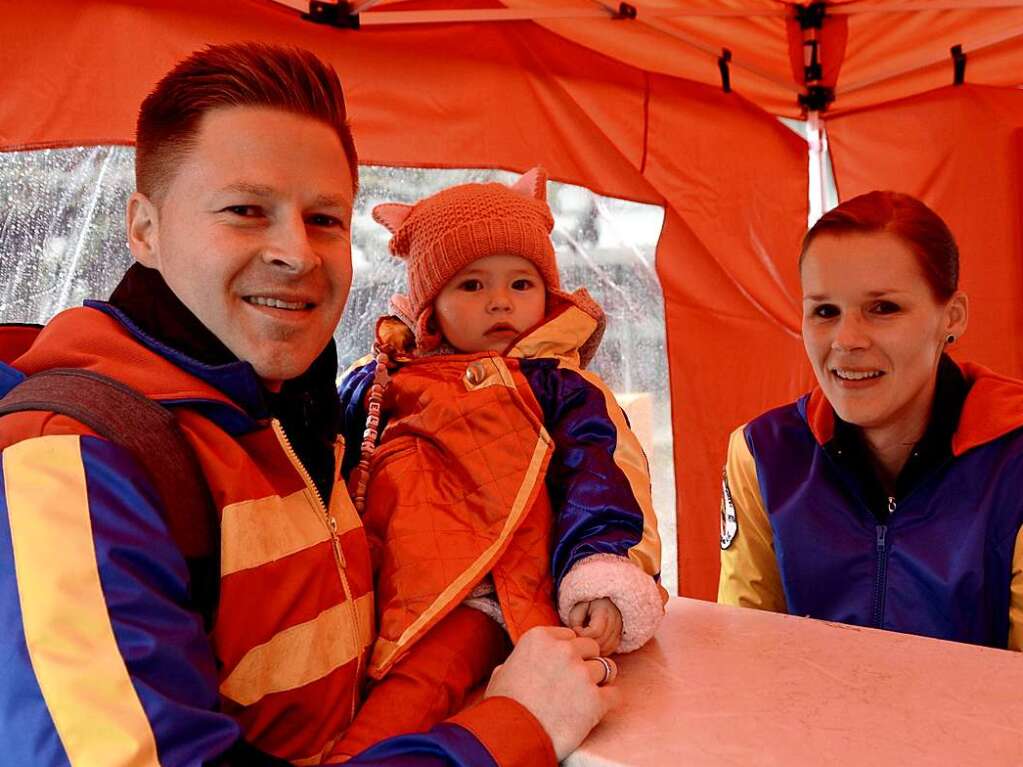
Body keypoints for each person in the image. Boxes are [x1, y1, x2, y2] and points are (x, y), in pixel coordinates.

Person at [0, 43, 618, 766]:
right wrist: (511, 728)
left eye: (324, 218)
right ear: (144, 227)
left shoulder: (304, 414)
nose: (297, 253)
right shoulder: (75, 460)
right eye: (245, 210)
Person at [329, 169, 665, 758]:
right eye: (471, 286)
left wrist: (600, 575)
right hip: (374, 589)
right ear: (430, 306)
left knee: (399, 706)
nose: (500, 301)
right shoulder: (383, 379)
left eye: (520, 282)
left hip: (483, 594)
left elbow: (603, 476)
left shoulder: (558, 388)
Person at [718, 190, 1023, 650]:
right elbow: (747, 654)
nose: (847, 339)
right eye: (825, 311)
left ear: (952, 317)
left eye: (883, 308)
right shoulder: (763, 455)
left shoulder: (1014, 457)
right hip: (805, 722)